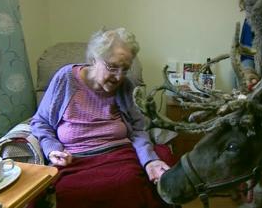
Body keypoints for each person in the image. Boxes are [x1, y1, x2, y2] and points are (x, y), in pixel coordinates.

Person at [30, 27, 173, 208]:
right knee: (68, 194)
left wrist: (150, 160)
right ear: (93, 59)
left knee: (131, 185)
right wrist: (52, 149)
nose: (119, 77)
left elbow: (138, 128)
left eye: (125, 69)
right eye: (112, 67)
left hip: (119, 156)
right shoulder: (66, 78)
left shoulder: (126, 87)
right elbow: (40, 122)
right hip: (74, 160)